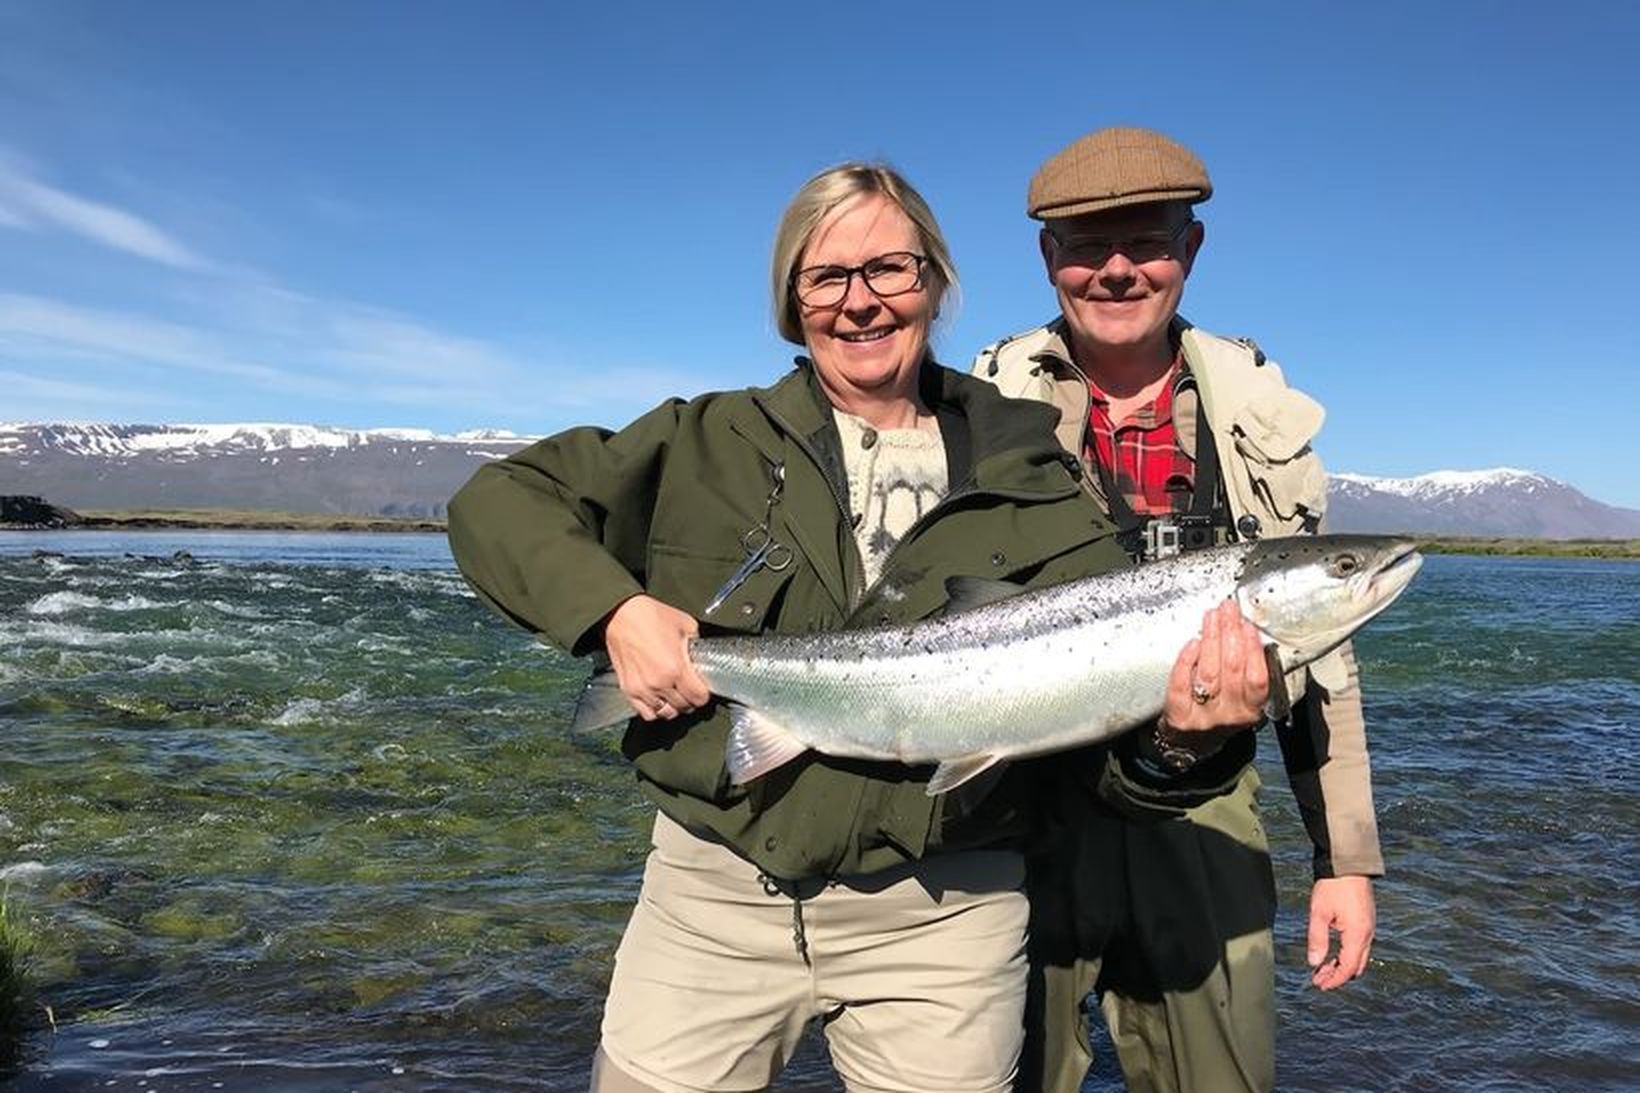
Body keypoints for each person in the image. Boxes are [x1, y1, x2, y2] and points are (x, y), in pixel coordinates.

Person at [447, 161, 1269, 1093]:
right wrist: (616, 611)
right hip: (709, 900)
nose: (861, 302)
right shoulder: (705, 439)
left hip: (947, 917)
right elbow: (497, 501)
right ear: (791, 302)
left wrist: (1187, 747)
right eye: (827, 277)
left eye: (891, 269)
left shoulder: (1036, 475)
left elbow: (1109, 765)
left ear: (935, 283)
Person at [972, 127, 1384, 1093]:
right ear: (1047, 259)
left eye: (1147, 241)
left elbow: (1325, 662)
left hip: (1209, 809)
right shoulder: (976, 410)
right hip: (1019, 810)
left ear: (1190, 250)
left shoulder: (1260, 418)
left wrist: (1345, 860)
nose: (1116, 269)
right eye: (1085, 245)